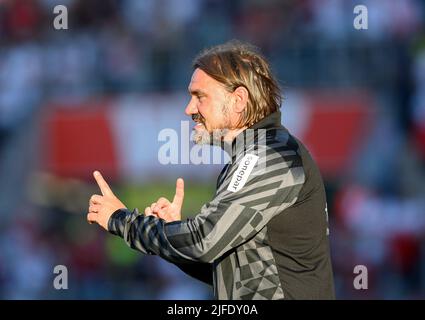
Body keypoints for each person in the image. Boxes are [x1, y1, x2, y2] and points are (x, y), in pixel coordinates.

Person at [87, 41, 335, 300]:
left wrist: (122, 221)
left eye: (199, 96)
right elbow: (224, 266)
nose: (189, 109)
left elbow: (204, 239)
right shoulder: (252, 157)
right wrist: (171, 230)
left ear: (238, 100)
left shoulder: (269, 156)